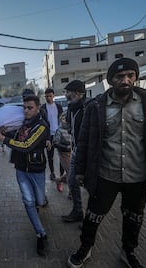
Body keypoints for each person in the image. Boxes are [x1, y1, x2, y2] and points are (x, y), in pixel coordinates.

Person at [67, 58, 146, 268]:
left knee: (134, 217)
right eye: (119, 76)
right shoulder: (96, 107)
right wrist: (80, 170)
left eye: (130, 75)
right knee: (93, 215)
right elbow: (84, 140)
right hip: (105, 174)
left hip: (137, 176)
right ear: (110, 80)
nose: (125, 80)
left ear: (135, 77)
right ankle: (85, 247)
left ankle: (128, 251)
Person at [0, 94, 50, 256]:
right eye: (24, 107)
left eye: (30, 108)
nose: (26, 111)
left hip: (36, 169)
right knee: (28, 201)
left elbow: (27, 145)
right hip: (21, 169)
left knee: (39, 201)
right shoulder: (22, 123)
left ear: (38, 108)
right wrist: (4, 135)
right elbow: (17, 138)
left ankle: (40, 202)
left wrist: (3, 139)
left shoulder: (42, 126)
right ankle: (41, 233)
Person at [61, 80, 87, 223]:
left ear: (77, 93)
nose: (65, 95)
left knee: (89, 186)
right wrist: (67, 126)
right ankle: (78, 211)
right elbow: (72, 128)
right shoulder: (72, 108)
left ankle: (90, 218)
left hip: (87, 155)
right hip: (76, 151)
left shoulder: (87, 108)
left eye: (67, 92)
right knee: (72, 181)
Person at [41, 88, 63, 181]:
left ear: (53, 95)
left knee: (61, 155)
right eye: (46, 96)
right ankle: (52, 173)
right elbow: (42, 123)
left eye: (50, 96)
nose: (48, 98)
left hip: (59, 134)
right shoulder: (43, 108)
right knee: (50, 155)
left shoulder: (58, 106)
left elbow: (62, 120)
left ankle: (62, 174)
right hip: (48, 135)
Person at [53, 111, 71, 192]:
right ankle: (72, 193)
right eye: (62, 119)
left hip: (73, 153)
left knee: (71, 172)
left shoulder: (72, 128)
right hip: (64, 154)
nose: (64, 120)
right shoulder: (59, 130)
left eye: (66, 118)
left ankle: (59, 180)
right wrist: (66, 147)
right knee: (70, 173)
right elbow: (55, 143)